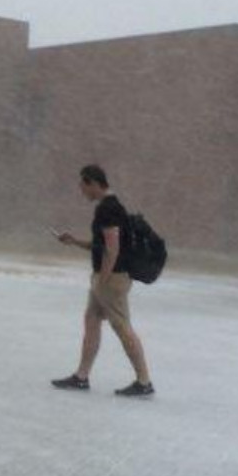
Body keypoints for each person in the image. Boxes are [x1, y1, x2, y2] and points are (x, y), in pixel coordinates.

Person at [51, 164, 154, 396]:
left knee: (122, 327)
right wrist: (74, 241)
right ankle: (81, 376)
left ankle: (144, 382)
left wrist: (102, 280)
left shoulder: (109, 209)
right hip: (108, 277)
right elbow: (101, 246)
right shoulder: (109, 208)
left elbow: (113, 249)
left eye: (83, 185)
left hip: (112, 279)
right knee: (92, 320)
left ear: (95, 183)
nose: (81, 190)